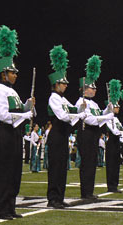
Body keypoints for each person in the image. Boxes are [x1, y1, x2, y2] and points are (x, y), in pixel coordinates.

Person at [0, 25, 34, 220]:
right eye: (12, 72)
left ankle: (11, 207)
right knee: (6, 172)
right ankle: (2, 209)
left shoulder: (14, 92)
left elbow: (17, 111)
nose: (16, 75)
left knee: (15, 172)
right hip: (6, 133)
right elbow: (3, 115)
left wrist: (28, 106)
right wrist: (25, 115)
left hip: (15, 133)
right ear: (3, 74)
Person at [46, 45, 85, 208]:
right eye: (63, 83)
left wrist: (82, 109)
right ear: (56, 83)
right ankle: (53, 198)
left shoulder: (63, 99)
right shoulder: (54, 98)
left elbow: (74, 109)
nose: (66, 85)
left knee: (62, 167)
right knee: (55, 167)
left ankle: (60, 197)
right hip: (56, 134)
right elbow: (63, 116)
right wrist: (79, 115)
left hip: (63, 135)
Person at [75, 55, 114, 200]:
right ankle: (85, 192)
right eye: (92, 87)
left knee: (92, 163)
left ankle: (89, 191)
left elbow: (98, 116)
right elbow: (91, 120)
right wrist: (106, 117)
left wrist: (107, 110)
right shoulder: (81, 102)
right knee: (86, 163)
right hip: (86, 133)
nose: (95, 89)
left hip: (93, 134)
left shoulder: (95, 104)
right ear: (85, 89)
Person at [105, 79, 123, 193]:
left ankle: (115, 185)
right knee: (111, 165)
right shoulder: (109, 117)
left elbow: (120, 130)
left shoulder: (117, 119)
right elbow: (115, 131)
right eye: (116, 107)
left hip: (117, 142)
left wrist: (122, 130)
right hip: (111, 142)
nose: (118, 108)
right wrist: (120, 131)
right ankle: (111, 186)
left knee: (116, 164)